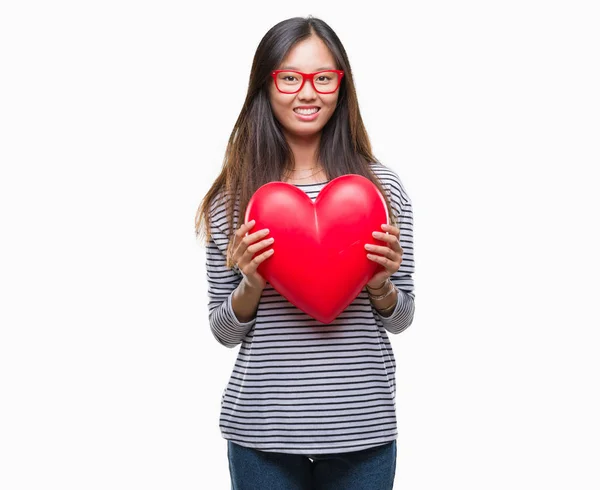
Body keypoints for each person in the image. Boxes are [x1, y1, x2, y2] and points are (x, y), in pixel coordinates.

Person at [195, 15, 415, 490]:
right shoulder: (229, 200)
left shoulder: (383, 190)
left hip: (363, 428)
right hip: (262, 433)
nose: (308, 92)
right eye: (290, 77)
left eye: (324, 77)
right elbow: (222, 330)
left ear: (342, 86)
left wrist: (380, 285)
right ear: (266, 85)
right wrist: (251, 283)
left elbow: (402, 318)